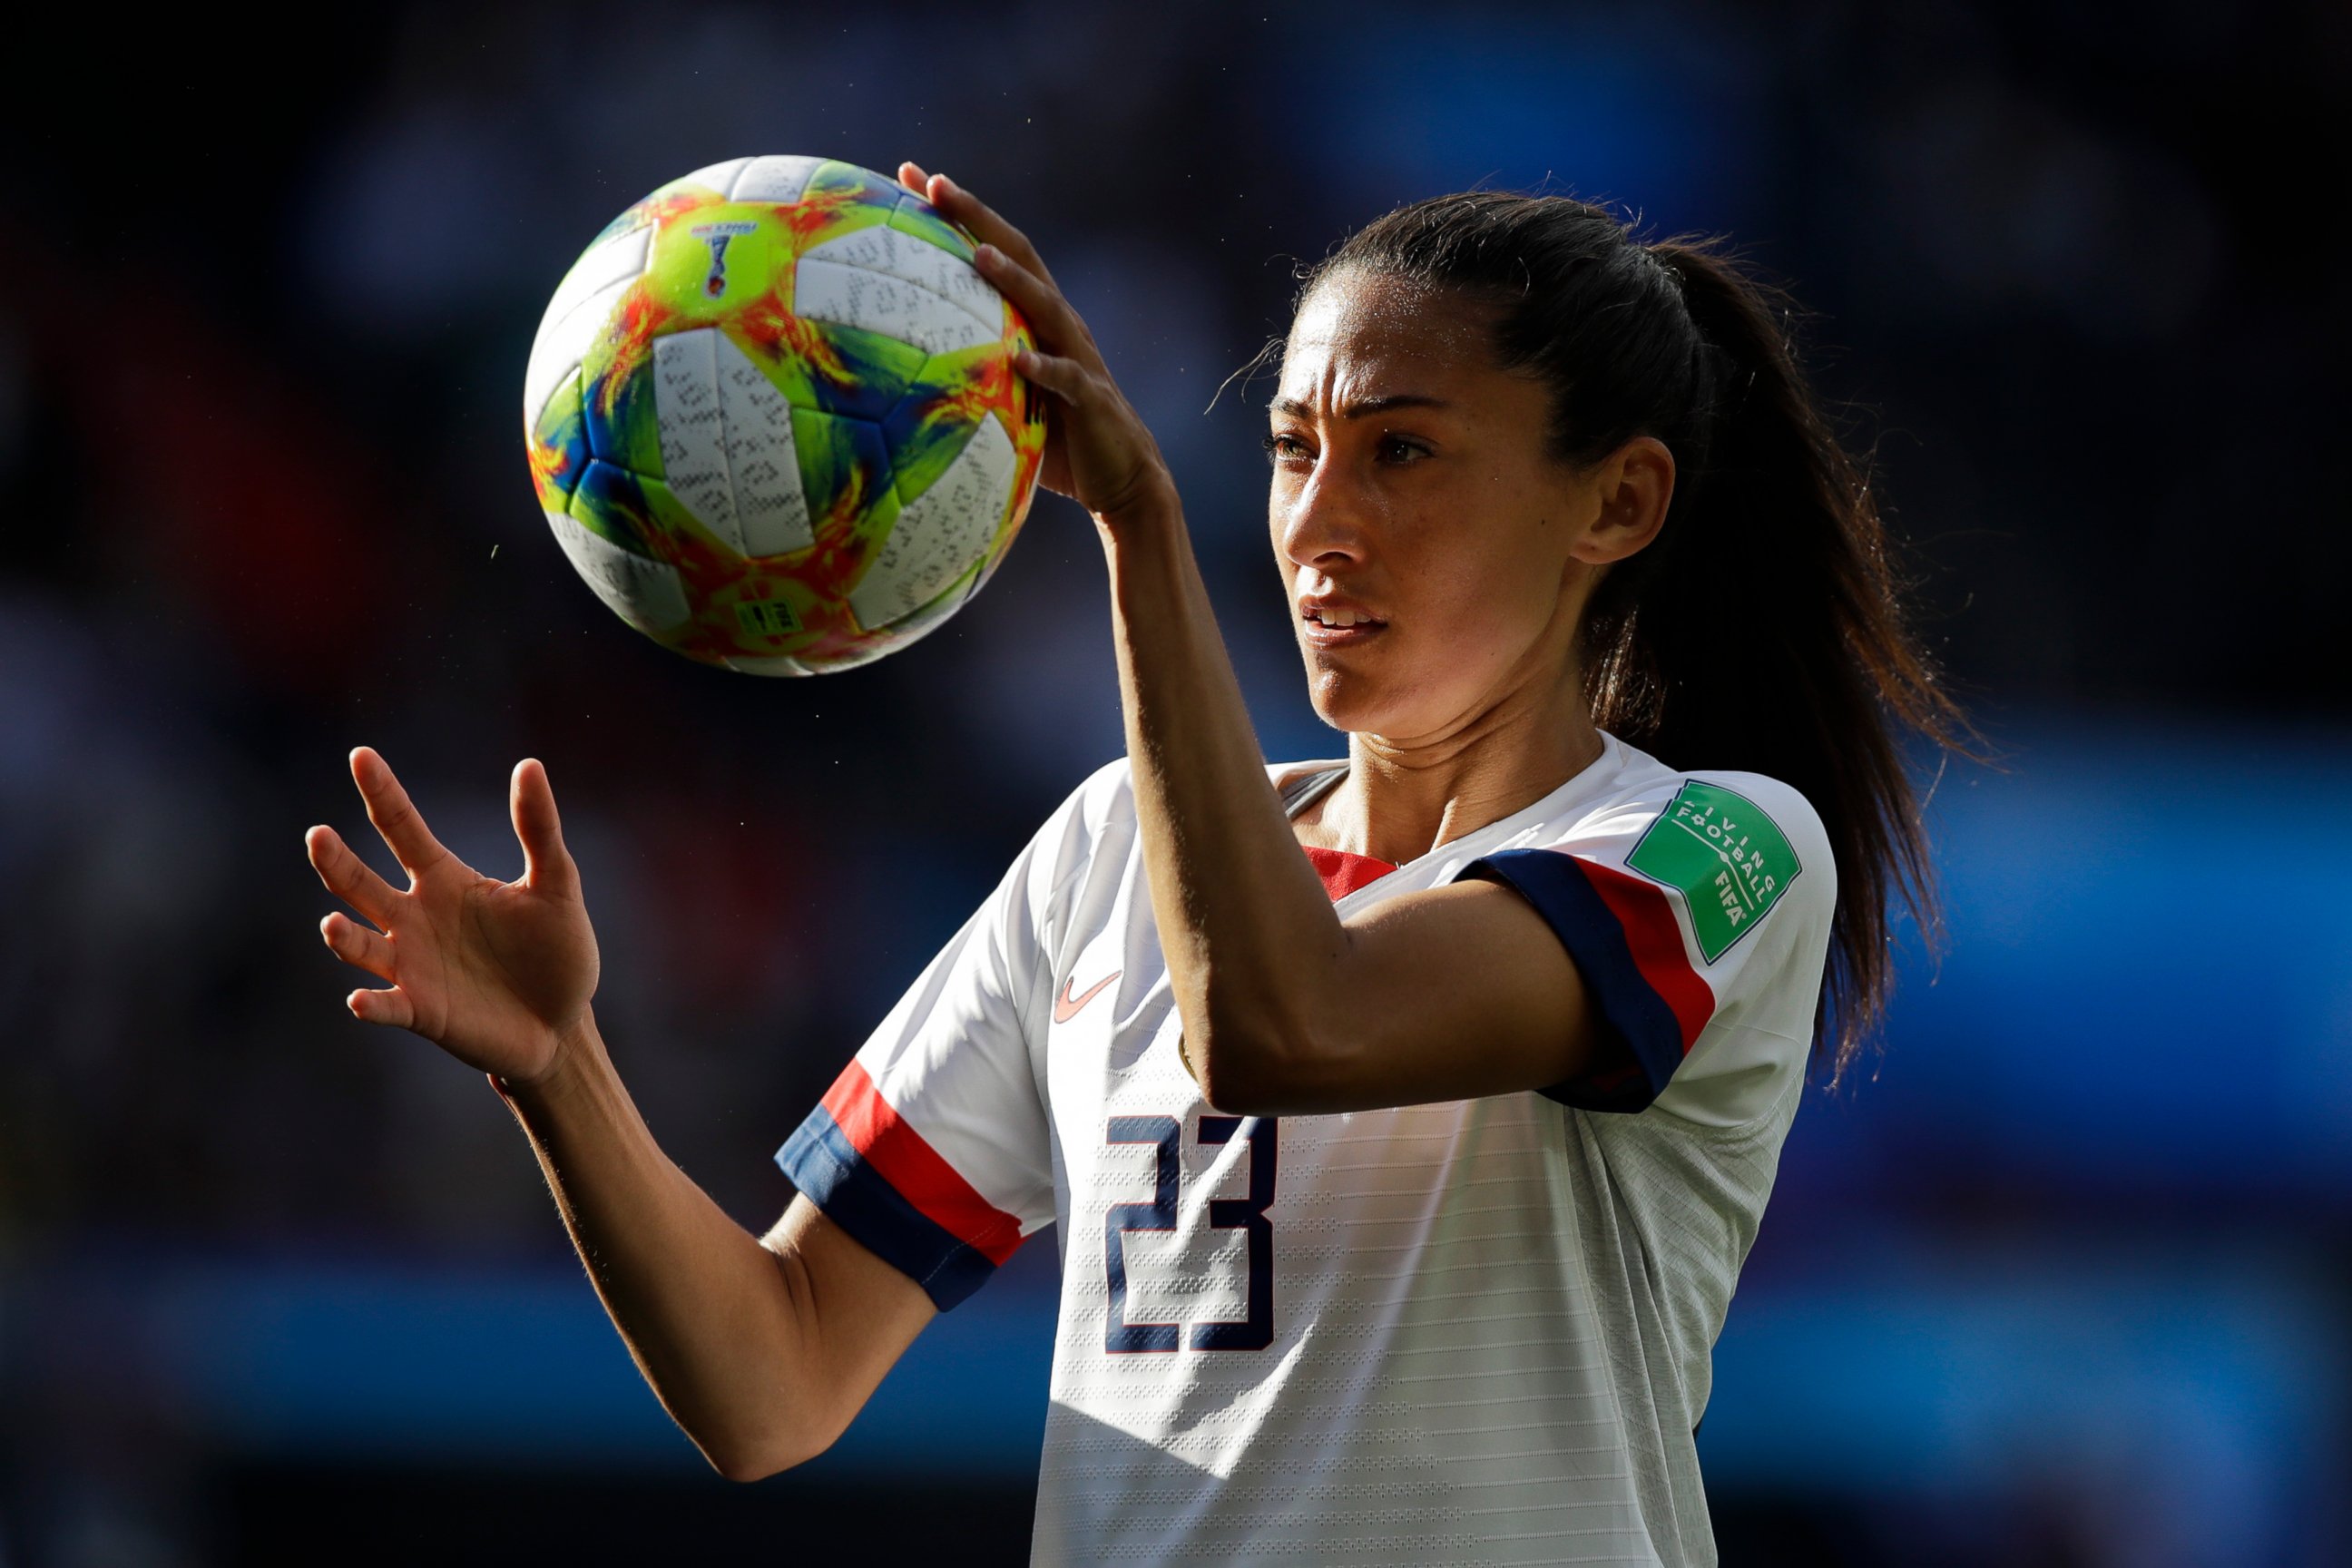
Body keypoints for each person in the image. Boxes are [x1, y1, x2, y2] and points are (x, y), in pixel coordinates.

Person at [305, 163, 1965, 1565]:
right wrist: (558, 1068)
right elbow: (773, 1382)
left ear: (1618, 503)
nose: (1321, 521)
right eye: (1293, 449)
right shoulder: (1113, 849)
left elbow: (1289, 1025)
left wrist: (1138, 533)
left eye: (1403, 450)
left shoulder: (1710, 845)